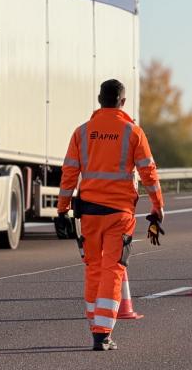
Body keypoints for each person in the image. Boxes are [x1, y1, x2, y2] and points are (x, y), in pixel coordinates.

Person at [55, 79, 165, 351]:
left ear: (99, 99)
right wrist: (157, 205)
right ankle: (102, 333)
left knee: (93, 267)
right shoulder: (133, 132)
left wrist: (62, 209)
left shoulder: (82, 132)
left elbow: (69, 173)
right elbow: (148, 173)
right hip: (119, 214)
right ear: (122, 102)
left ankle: (95, 324)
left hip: (89, 214)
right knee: (113, 269)